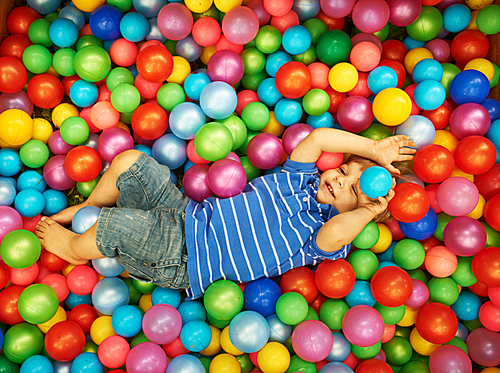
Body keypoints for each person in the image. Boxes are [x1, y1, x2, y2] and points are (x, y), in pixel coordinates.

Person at [35, 128, 416, 299]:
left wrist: (367, 211)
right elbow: (317, 140)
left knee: (118, 227)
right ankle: (88, 207)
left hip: (184, 259)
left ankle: (71, 249)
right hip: (185, 213)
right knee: (130, 161)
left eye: (352, 191)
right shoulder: (296, 180)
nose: (339, 180)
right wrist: (374, 149)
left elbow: (339, 232)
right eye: (345, 170)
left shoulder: (324, 236)